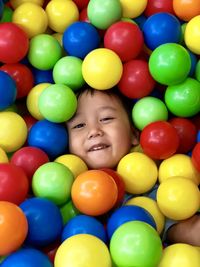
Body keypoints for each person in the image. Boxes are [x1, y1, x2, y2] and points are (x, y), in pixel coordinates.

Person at [66, 86, 200, 246]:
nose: (94, 131)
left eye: (106, 118)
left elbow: (188, 228)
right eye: (79, 125)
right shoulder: (65, 191)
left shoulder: (150, 190)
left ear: (134, 135)